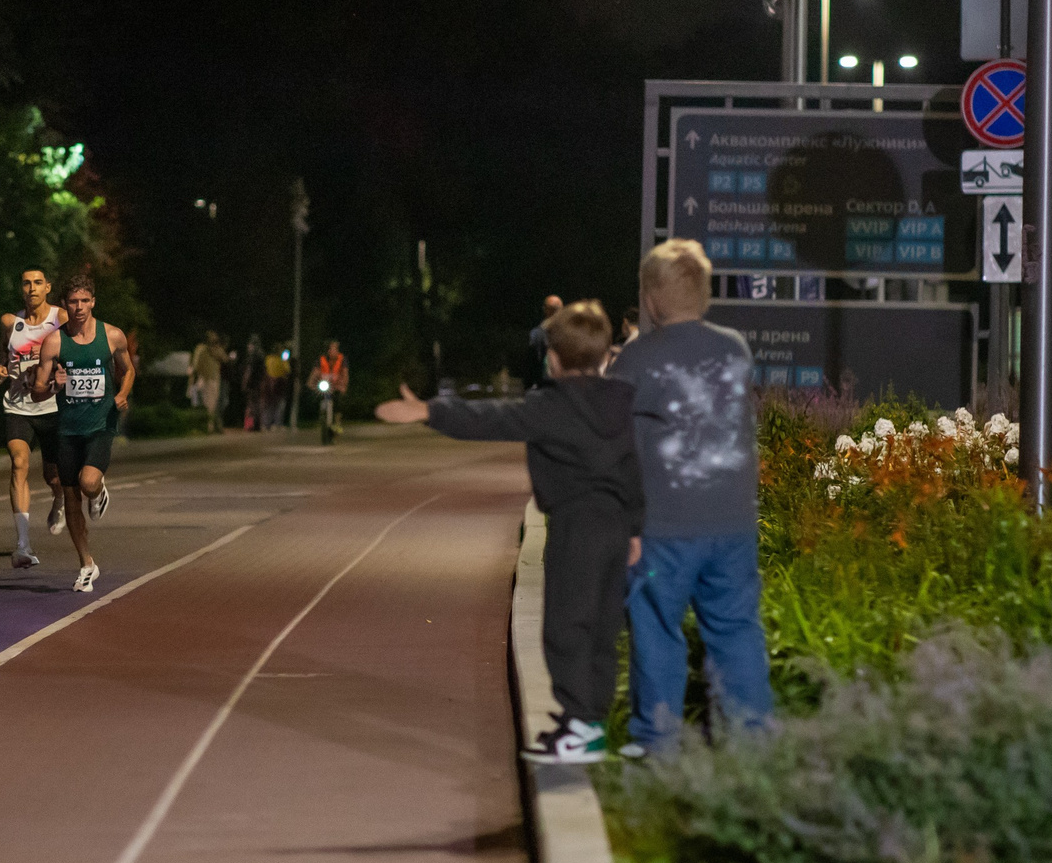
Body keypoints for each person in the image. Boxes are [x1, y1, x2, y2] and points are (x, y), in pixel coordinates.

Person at [379, 300, 642, 763]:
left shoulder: (551, 405)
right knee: (601, 625)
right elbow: (635, 467)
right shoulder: (624, 400)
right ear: (604, 356)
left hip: (576, 526)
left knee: (565, 625)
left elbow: (493, 418)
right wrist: (637, 528)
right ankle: (589, 721)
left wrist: (430, 412)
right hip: (615, 526)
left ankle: (579, 728)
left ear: (554, 358)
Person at [610, 239, 772, 751]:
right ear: (703, 296)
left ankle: (658, 748)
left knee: (657, 631)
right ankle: (751, 746)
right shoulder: (734, 349)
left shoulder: (635, 360)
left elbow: (617, 448)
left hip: (662, 530)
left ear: (652, 299)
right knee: (737, 631)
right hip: (733, 524)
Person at [38, 277, 135, 593]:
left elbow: (129, 369)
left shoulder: (112, 336)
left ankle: (100, 489)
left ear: (93, 302)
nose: (78, 308)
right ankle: (87, 565)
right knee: (71, 498)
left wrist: (122, 394)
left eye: (84, 301)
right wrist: (54, 384)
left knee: (88, 483)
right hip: (67, 428)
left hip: (100, 425)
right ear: (64, 305)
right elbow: (39, 390)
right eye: (72, 302)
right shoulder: (54, 342)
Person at [0, 266, 65, 566]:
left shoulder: (60, 318)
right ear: (20, 288)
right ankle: (23, 545)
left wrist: (64, 376)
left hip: (51, 407)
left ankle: (59, 499)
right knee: (19, 463)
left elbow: (76, 352)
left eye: (38, 283)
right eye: (26, 283)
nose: (32, 288)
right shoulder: (10, 322)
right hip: (18, 406)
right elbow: (2, 361)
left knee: (53, 475)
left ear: (48, 287)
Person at [311, 338, 350, 440]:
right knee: (315, 397)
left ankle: (337, 423)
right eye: (332, 349)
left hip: (337, 387)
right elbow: (314, 374)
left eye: (336, 349)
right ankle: (321, 419)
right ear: (328, 350)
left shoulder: (342, 359)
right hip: (325, 386)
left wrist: (343, 385)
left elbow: (345, 374)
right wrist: (311, 384)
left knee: (339, 403)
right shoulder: (321, 360)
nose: (334, 351)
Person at [189, 332, 224, 431]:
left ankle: (205, 426)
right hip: (209, 379)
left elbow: (196, 365)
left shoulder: (201, 349)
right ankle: (208, 427)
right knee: (209, 404)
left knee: (205, 404)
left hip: (205, 379)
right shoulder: (208, 349)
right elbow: (225, 359)